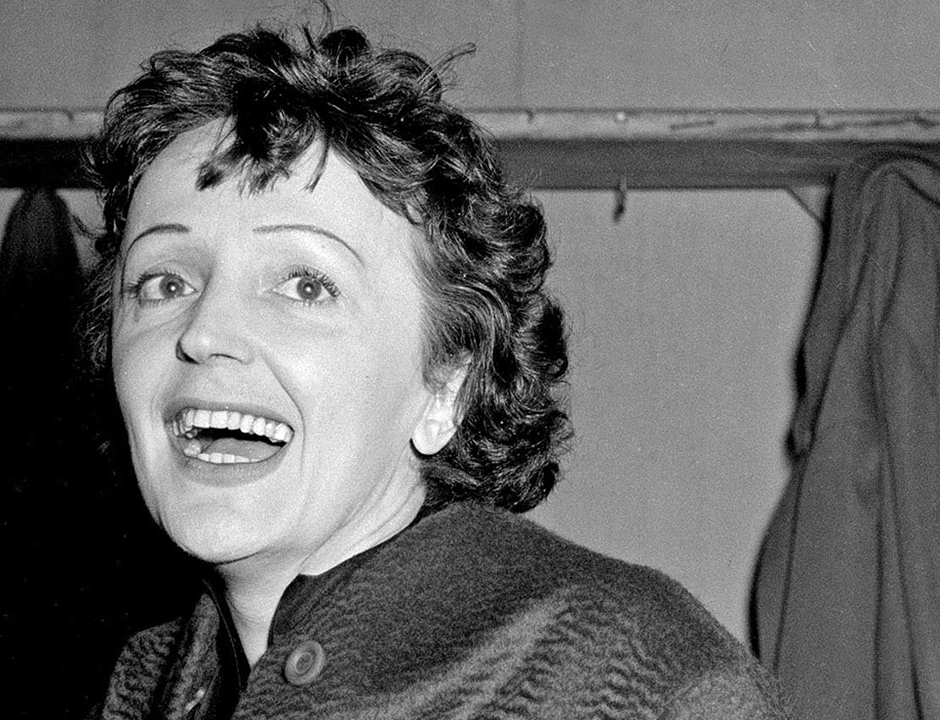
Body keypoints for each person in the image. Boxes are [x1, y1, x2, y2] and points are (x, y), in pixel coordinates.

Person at [80, 17, 790, 720]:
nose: (204, 333)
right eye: (164, 283)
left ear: (445, 385)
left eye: (304, 285)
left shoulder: (634, 676)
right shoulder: (141, 686)